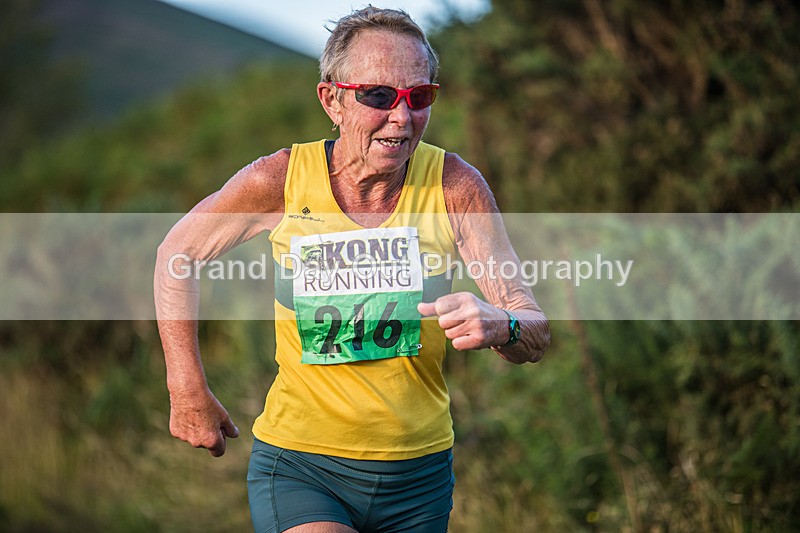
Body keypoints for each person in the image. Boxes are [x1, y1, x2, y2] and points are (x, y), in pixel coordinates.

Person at [154, 6, 549, 533]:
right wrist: (187, 388)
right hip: (302, 465)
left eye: (420, 96)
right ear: (332, 100)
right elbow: (176, 256)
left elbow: (534, 329)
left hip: (420, 478)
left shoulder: (455, 186)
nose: (402, 117)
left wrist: (502, 324)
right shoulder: (281, 181)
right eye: (379, 96)